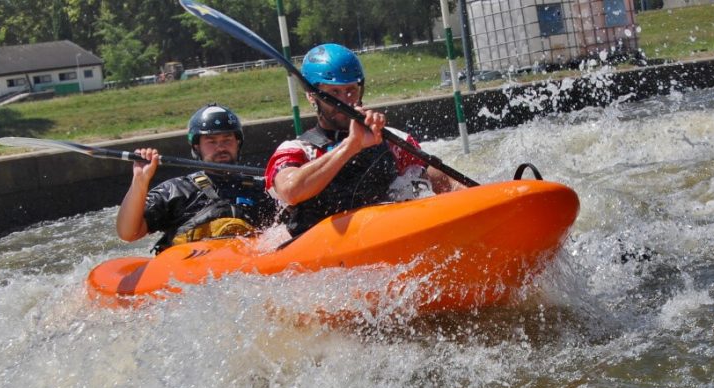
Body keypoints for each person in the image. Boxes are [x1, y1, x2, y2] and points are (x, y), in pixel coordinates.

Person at [265, 43, 461, 237]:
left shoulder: (392, 139)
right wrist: (352, 145)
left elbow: (440, 179)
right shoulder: (296, 150)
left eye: (351, 90)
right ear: (312, 96)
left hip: (384, 235)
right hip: (321, 252)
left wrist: (470, 195)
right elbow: (291, 192)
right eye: (334, 92)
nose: (345, 101)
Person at [116, 104, 276, 253]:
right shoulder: (175, 190)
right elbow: (128, 233)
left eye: (227, 140)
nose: (220, 147)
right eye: (211, 141)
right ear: (196, 147)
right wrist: (140, 181)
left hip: (251, 265)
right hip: (196, 269)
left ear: (238, 143)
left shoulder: (261, 190)